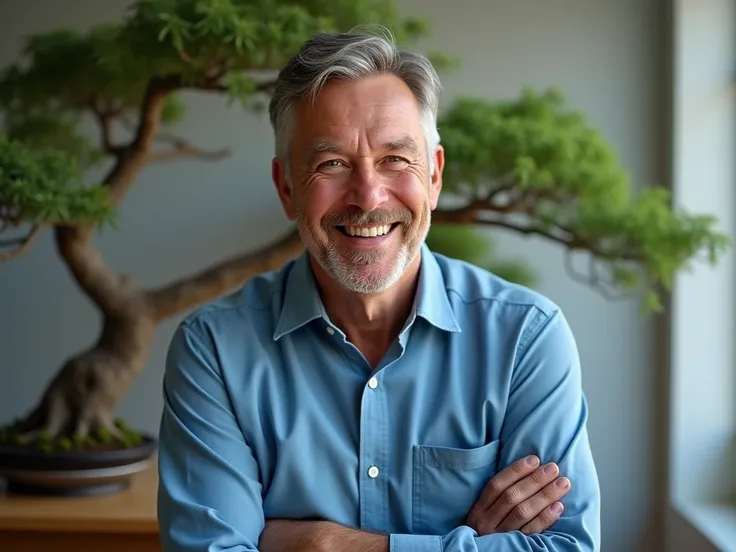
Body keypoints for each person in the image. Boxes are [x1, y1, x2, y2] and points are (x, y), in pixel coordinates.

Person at [157, 29, 601, 552]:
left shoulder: (525, 337)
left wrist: (325, 544)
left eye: (396, 159)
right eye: (332, 164)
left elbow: (566, 547)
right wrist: (465, 543)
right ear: (286, 188)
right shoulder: (213, 350)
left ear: (433, 176)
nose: (368, 197)